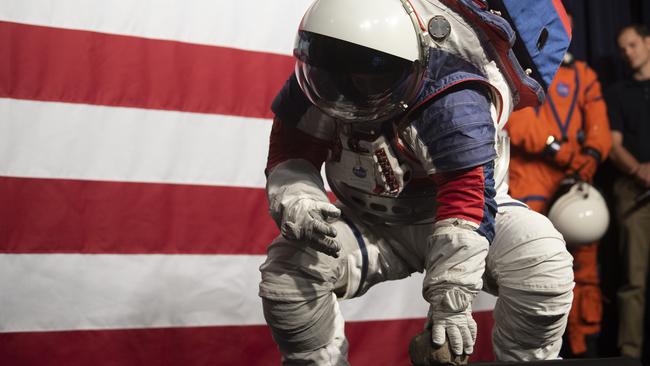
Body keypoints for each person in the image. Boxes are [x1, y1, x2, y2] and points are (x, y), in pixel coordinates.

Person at [258, 0, 575, 364]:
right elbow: (290, 151)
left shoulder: (451, 96)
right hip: (372, 224)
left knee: (542, 264)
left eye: (375, 68)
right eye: (341, 65)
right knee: (288, 273)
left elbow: (467, 199)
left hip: (466, 217)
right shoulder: (317, 80)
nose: (357, 82)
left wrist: (451, 300)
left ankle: (527, 359)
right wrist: (300, 201)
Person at [505, 48, 612, 357]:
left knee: (585, 272)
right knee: (536, 274)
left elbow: (598, 126)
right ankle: (539, 350)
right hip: (532, 183)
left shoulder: (581, 75)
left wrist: (591, 156)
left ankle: (584, 347)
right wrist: (559, 152)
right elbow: (517, 121)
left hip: (574, 183)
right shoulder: (518, 70)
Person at [606, 24, 650, 360]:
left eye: (632, 45)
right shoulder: (618, 92)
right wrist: (639, 170)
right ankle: (630, 354)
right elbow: (613, 145)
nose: (627, 53)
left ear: (648, 43)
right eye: (622, 48)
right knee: (634, 278)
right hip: (634, 191)